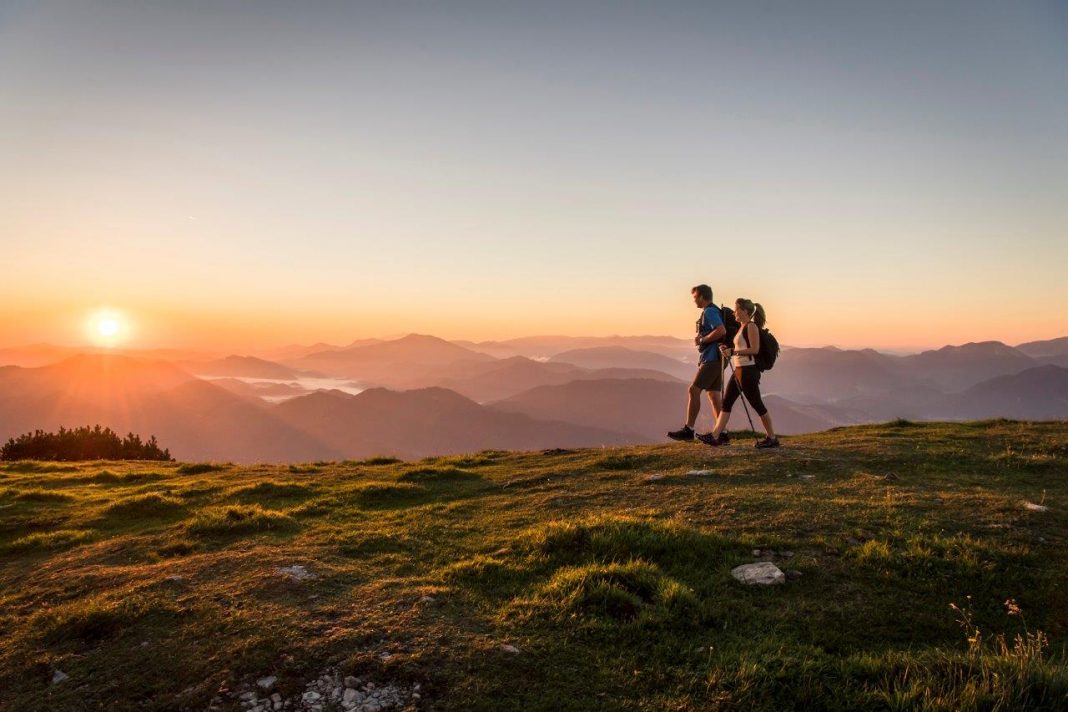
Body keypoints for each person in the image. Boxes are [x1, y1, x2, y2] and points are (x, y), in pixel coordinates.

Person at [699, 298, 779, 448]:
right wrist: (727, 349)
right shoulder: (742, 327)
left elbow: (754, 350)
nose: (734, 312)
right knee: (727, 402)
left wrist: (733, 351)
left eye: (736, 309)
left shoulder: (751, 327)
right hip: (740, 370)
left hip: (749, 372)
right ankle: (715, 436)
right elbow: (740, 348)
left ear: (744, 311)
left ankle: (772, 438)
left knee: (757, 404)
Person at [668, 284, 728, 442]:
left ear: (702, 296)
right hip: (718, 358)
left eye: (695, 297)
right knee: (714, 395)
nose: (694, 301)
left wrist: (702, 339)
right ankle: (722, 432)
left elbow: (721, 330)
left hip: (712, 358)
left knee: (693, 390)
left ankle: (689, 429)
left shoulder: (709, 311)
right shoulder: (712, 310)